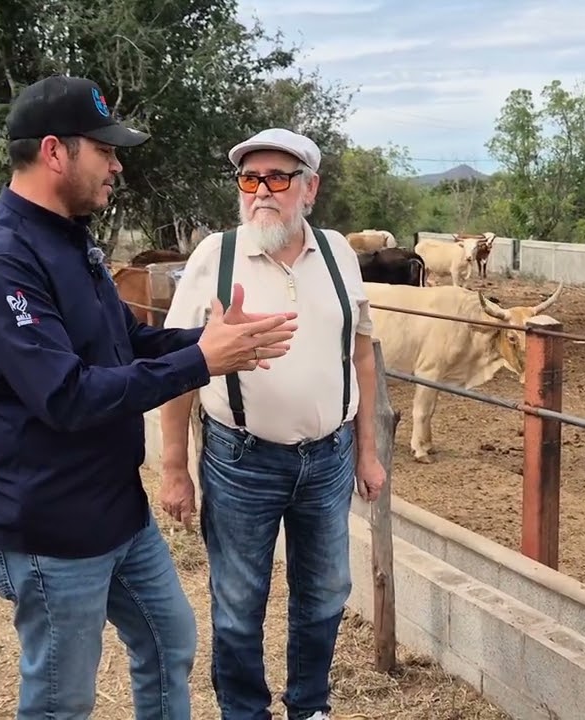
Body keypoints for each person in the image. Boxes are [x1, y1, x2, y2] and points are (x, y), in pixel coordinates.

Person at [0, 75, 298, 720]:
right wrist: (200, 362)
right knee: (61, 701)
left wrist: (210, 338)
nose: (117, 163)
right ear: (55, 152)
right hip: (50, 524)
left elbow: (124, 341)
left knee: (168, 642)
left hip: (114, 510)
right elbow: (66, 396)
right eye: (104, 149)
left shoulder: (72, 241)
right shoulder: (0, 261)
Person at [157, 128, 387, 720]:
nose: (261, 191)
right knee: (238, 603)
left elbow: (359, 351)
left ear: (310, 189)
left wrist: (367, 451)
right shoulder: (216, 256)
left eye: (277, 179)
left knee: (326, 593)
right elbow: (179, 368)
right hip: (241, 463)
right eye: (249, 179)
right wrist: (175, 468)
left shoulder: (337, 251)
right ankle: (244, 712)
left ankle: (309, 706)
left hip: (329, 459)